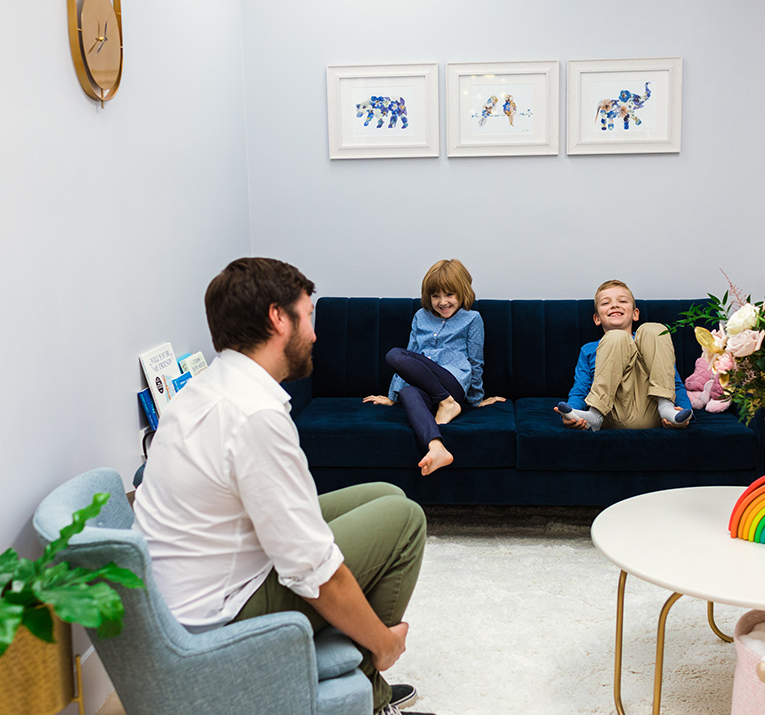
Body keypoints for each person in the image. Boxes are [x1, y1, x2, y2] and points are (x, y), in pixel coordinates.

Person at [133, 257, 432, 715]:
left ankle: (361, 671)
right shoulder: (255, 415)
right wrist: (385, 643)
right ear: (278, 318)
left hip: (195, 591)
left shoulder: (208, 386)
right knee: (406, 519)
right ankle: (372, 686)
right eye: (308, 316)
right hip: (220, 618)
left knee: (386, 496)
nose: (314, 333)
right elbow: (316, 574)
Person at [364, 259, 504, 476]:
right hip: (423, 383)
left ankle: (449, 403)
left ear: (462, 292)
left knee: (396, 355)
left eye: (449, 294)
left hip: (452, 381)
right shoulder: (420, 316)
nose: (442, 302)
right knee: (405, 382)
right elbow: (409, 355)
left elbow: (476, 361)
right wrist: (392, 397)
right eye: (436, 295)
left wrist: (476, 400)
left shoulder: (472, 319)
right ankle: (436, 448)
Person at [556, 279, 693, 431]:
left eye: (622, 301)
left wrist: (685, 411)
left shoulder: (653, 341)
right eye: (606, 303)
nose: (615, 305)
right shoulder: (588, 350)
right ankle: (594, 415)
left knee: (655, 330)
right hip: (609, 415)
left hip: (655, 412)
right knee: (616, 338)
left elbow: (675, 383)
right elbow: (580, 389)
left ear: (635, 314)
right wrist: (571, 412)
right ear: (597, 318)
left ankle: (666, 407)